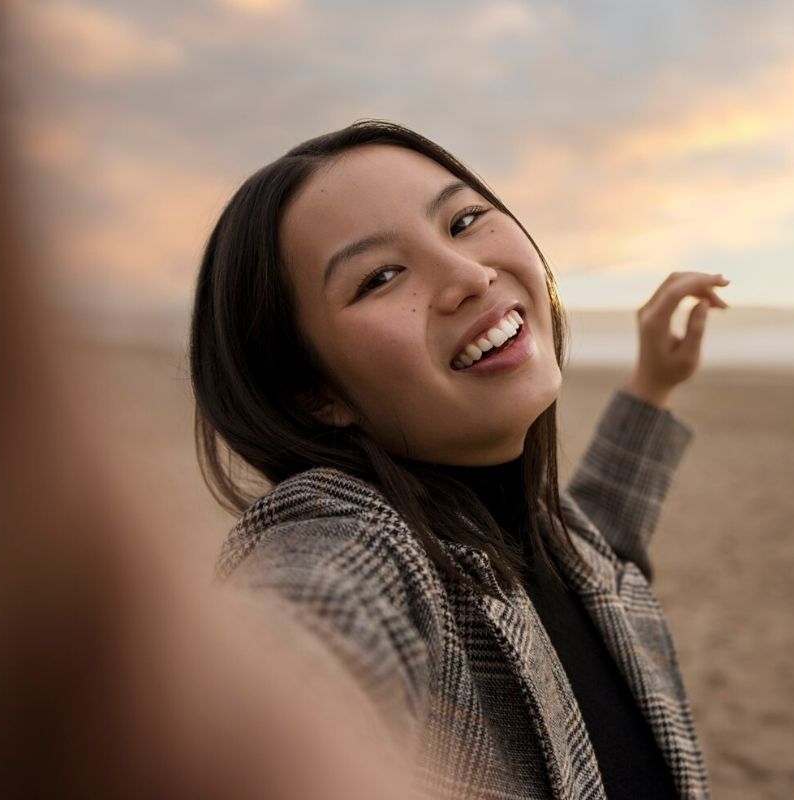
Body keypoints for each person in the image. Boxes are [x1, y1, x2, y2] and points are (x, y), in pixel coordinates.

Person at [189, 120, 729, 800]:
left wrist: (652, 383)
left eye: (465, 219)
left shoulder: (553, 540)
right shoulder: (352, 543)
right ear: (317, 394)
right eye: (381, 276)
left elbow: (599, 539)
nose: (469, 276)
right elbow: (288, 656)